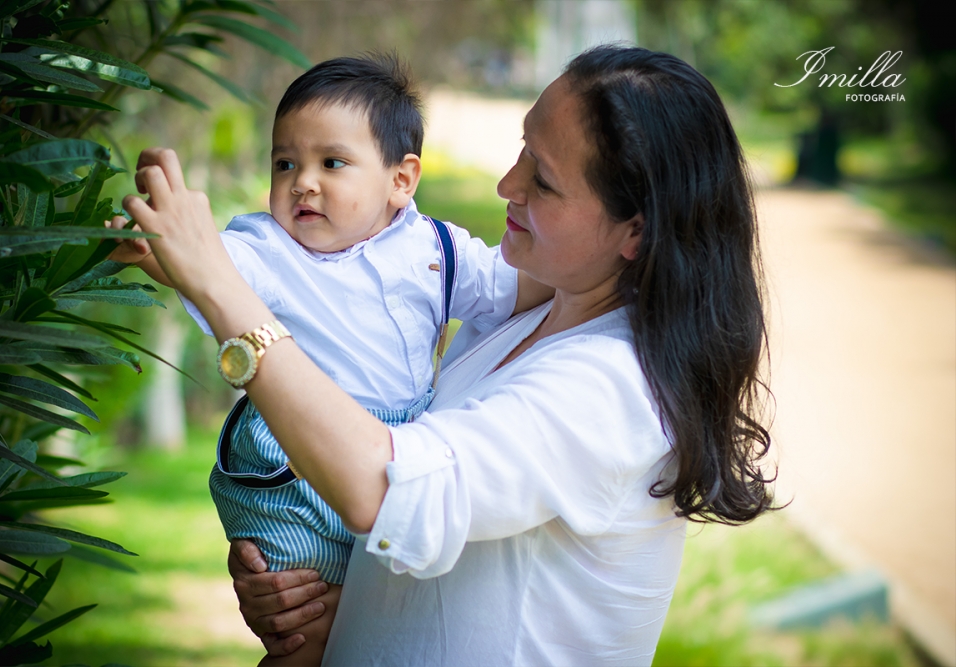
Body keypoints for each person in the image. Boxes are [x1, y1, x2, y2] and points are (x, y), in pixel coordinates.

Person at [123, 45, 774, 666]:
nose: (506, 183)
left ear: (635, 230)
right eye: (522, 148)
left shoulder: (611, 388)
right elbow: (450, 559)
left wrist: (219, 288)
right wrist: (317, 596)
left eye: (542, 181)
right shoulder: (524, 320)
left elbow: (386, 489)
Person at [108, 54, 551, 666]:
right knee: (302, 619)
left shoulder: (439, 249)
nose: (302, 182)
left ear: (402, 180)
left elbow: (523, 286)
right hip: (295, 461)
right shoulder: (267, 247)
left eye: (331, 163)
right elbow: (206, 262)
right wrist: (151, 247)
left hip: (394, 449)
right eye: (285, 163)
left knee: (374, 610)